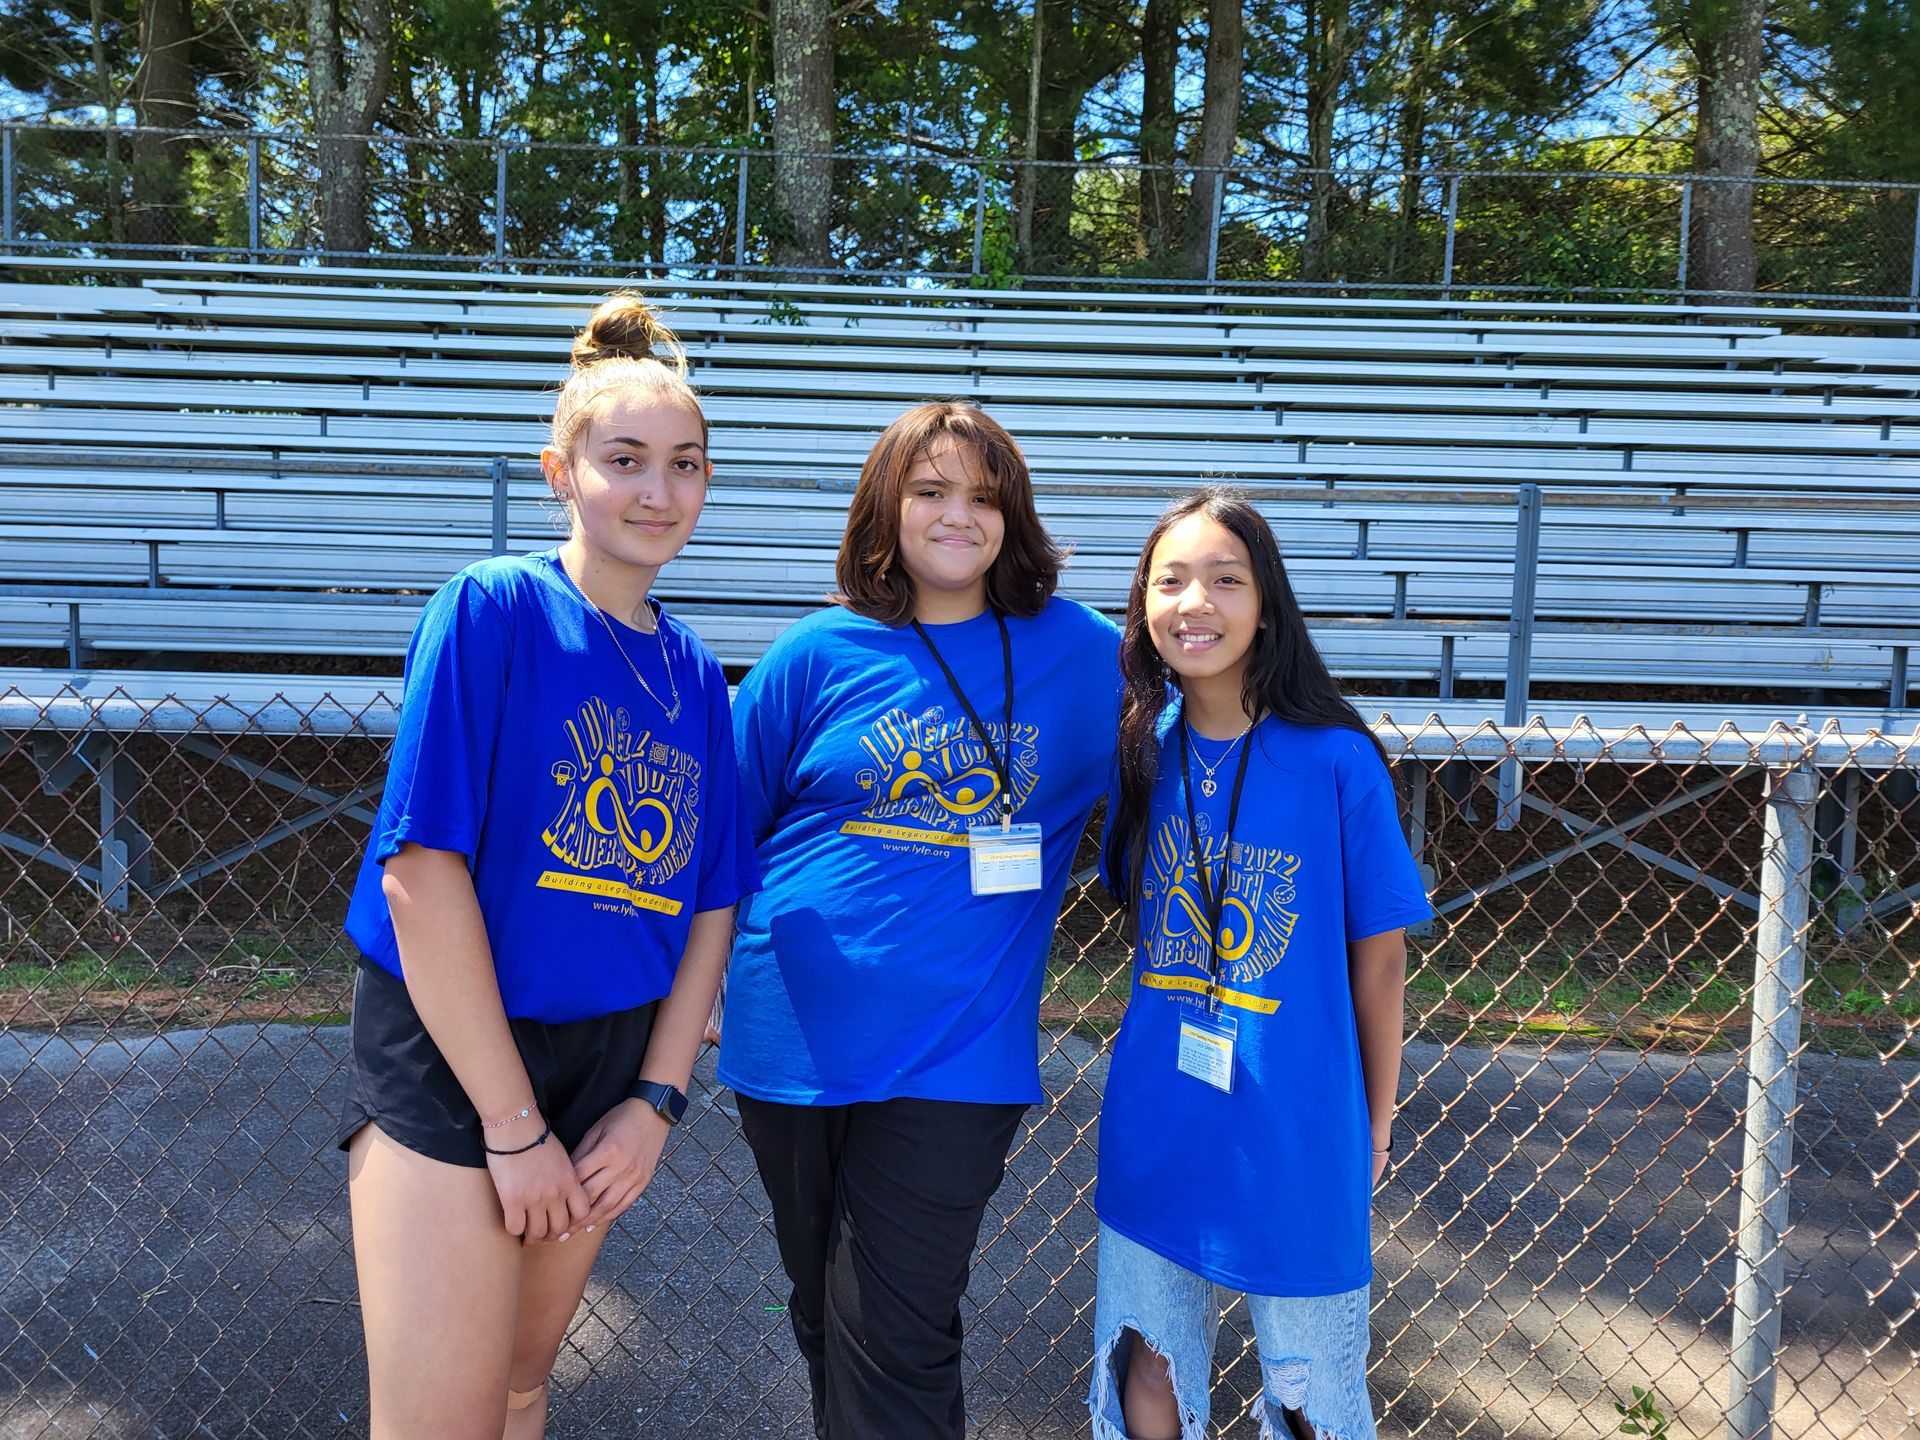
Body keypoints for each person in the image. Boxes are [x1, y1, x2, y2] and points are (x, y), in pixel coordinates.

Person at [334, 293, 758, 1440]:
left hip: (611, 1063)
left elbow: (712, 903)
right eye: (625, 460)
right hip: (462, 1051)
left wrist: (656, 1104)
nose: (659, 492)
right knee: (444, 1421)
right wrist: (513, 1128)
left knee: (524, 1391)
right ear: (561, 470)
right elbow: (419, 874)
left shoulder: (696, 672)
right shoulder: (495, 610)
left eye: (687, 465)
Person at [719, 402, 1120, 1439]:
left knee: (892, 1331)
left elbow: (1208, 715)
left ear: (1013, 517)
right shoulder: (815, 653)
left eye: (984, 497)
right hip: (788, 1044)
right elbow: (718, 827)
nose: (957, 516)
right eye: (931, 491)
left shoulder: (1081, 656)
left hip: (957, 1053)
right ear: (885, 509)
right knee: (830, 1319)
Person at [1089, 486, 1430, 1440]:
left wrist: (1374, 1123)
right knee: (1143, 1363)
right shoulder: (1141, 750)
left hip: (1297, 1123)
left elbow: (1382, 962)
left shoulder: (1335, 760)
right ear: (1144, 606)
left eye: (1225, 580)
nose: (1195, 602)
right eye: (1171, 580)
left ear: (1267, 605)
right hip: (1158, 1109)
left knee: (1308, 1387)